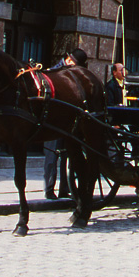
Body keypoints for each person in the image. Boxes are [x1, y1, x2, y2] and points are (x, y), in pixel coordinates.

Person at [44, 49, 87, 198]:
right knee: (52, 155)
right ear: (69, 60)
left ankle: (64, 188)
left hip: (66, 120)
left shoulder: (70, 74)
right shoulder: (53, 72)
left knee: (64, 155)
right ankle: (49, 189)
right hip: (52, 120)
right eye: (74, 64)